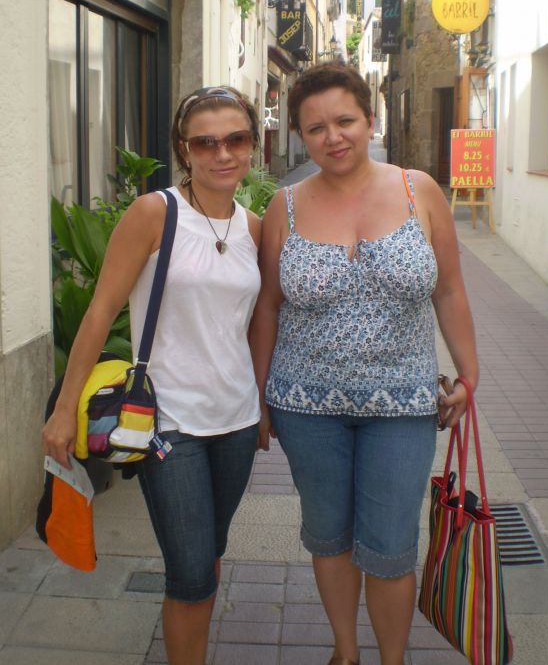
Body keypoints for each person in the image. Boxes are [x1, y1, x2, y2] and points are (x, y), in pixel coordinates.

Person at [250, 63, 479, 665]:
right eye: (316, 127)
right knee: (328, 537)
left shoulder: (418, 191)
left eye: (345, 120)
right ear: (301, 136)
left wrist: (469, 374)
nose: (333, 137)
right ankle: (346, 651)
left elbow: (450, 289)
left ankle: (391, 659)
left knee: (391, 547)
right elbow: (268, 307)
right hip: (305, 408)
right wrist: (259, 399)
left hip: (403, 406)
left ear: (369, 119)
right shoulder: (285, 206)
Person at [43, 86, 263, 665]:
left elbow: (256, 325)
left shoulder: (255, 227)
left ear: (252, 145)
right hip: (166, 421)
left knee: (208, 555)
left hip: (237, 420)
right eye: (205, 142)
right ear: (183, 150)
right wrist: (64, 409)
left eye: (236, 138)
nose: (222, 153)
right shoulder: (154, 213)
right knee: (189, 572)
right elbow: (100, 312)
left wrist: (264, 408)